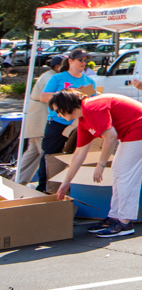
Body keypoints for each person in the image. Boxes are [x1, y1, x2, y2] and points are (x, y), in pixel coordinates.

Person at [52, 90, 142, 238]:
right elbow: (79, 153)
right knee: (119, 171)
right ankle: (115, 216)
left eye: (58, 111)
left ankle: (124, 222)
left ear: (66, 106)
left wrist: (101, 165)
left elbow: (110, 137)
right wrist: (66, 182)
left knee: (124, 173)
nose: (58, 115)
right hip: (137, 128)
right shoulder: (84, 120)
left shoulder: (91, 108)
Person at [37, 48, 96, 193]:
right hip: (57, 123)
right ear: (70, 61)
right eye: (80, 60)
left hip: (79, 125)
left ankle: (70, 189)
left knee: (77, 156)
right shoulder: (58, 78)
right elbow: (43, 97)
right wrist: (67, 95)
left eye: (85, 60)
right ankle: (43, 189)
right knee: (50, 155)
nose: (83, 63)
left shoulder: (89, 81)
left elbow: (91, 103)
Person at [17, 55, 65, 185]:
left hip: (36, 119)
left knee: (32, 155)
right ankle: (48, 185)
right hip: (40, 120)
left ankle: (17, 182)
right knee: (45, 155)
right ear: (57, 66)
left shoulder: (48, 75)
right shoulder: (51, 78)